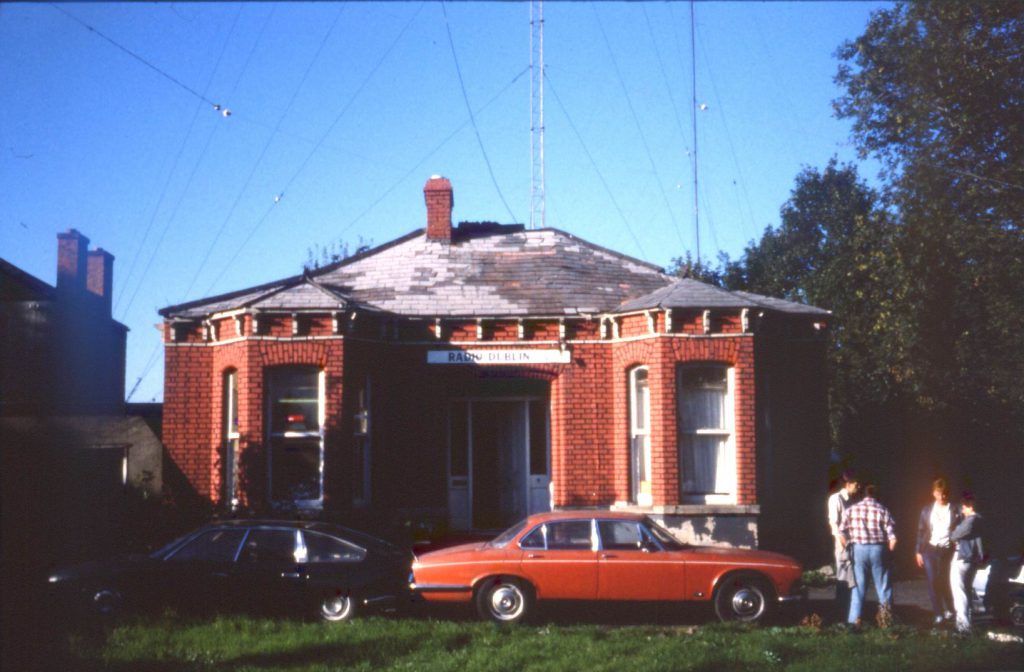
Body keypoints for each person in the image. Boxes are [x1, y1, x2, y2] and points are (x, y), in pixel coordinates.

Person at [840, 484, 897, 626]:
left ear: (863, 495)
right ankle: (886, 621)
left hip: (858, 550)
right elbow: (893, 539)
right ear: (876, 496)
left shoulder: (851, 510)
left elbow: (841, 532)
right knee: (883, 587)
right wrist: (888, 553)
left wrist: (847, 545)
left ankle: (854, 621)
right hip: (878, 549)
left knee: (858, 587)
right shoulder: (883, 510)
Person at [915, 477, 962, 624]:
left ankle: (950, 610)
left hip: (947, 551)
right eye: (938, 493)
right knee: (933, 581)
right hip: (929, 550)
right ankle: (938, 613)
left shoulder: (955, 509)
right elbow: (921, 531)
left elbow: (960, 530)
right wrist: (918, 551)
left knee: (945, 581)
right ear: (933, 493)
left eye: (944, 493)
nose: (941, 497)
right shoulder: (927, 510)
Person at [949, 492, 985, 634]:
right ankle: (968, 622)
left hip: (964, 557)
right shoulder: (981, 519)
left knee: (959, 591)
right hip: (973, 559)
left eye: (963, 508)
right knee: (967, 590)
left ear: (968, 506)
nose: (962, 511)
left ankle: (963, 627)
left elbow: (955, 535)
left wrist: (955, 529)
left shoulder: (972, 520)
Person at [827, 471, 860, 620]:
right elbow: (833, 521)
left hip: (854, 542)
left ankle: (850, 611)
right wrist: (840, 539)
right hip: (842, 543)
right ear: (848, 484)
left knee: (853, 577)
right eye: (856, 484)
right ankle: (840, 612)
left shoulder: (853, 500)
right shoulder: (836, 499)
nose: (858, 487)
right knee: (842, 576)